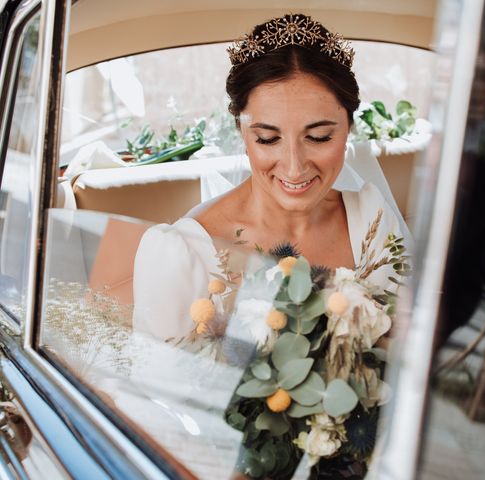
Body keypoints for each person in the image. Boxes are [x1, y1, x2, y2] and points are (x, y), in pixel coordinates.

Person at [132, 13, 410, 478]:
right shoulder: (177, 252)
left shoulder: (369, 216)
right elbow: (156, 416)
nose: (295, 167)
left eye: (319, 137)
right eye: (268, 138)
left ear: (348, 128)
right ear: (242, 131)